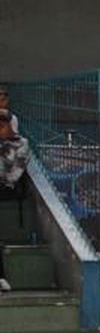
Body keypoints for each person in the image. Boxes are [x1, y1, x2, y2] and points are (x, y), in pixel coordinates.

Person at [0, 109, 31, 292]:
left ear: (12, 126)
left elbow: (13, 175)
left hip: (7, 189)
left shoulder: (21, 144)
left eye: (3, 124)